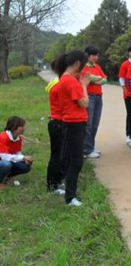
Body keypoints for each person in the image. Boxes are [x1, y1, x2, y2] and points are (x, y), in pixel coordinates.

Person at [56, 51, 91, 206]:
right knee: (76, 161)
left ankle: (69, 192)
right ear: (78, 64)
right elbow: (84, 103)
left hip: (71, 123)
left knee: (72, 158)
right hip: (74, 124)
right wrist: (84, 85)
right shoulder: (70, 81)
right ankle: (70, 197)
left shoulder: (65, 78)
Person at [81, 46, 108, 158]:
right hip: (90, 97)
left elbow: (105, 79)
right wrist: (97, 79)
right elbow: (88, 78)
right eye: (94, 55)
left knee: (95, 124)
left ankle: (90, 146)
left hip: (98, 97)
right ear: (88, 55)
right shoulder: (83, 67)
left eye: (97, 55)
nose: (96, 57)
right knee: (88, 124)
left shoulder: (97, 66)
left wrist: (96, 79)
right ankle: (86, 149)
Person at [46, 60, 65, 194]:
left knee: (59, 154)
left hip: (57, 122)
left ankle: (57, 181)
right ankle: (53, 185)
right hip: (58, 123)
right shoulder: (60, 86)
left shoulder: (57, 84)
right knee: (57, 155)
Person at [0, 116, 33, 188]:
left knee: (26, 167)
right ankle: (0, 181)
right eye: (21, 126)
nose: (23, 128)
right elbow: (4, 157)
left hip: (8, 160)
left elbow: (17, 152)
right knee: (6, 164)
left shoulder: (18, 138)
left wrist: (25, 159)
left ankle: (7, 177)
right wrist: (23, 157)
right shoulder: (3, 137)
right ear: (14, 127)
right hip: (2, 161)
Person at [119, 45, 131, 144]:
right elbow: (122, 79)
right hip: (128, 94)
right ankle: (129, 134)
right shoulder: (125, 64)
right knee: (130, 114)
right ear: (129, 53)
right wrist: (125, 90)